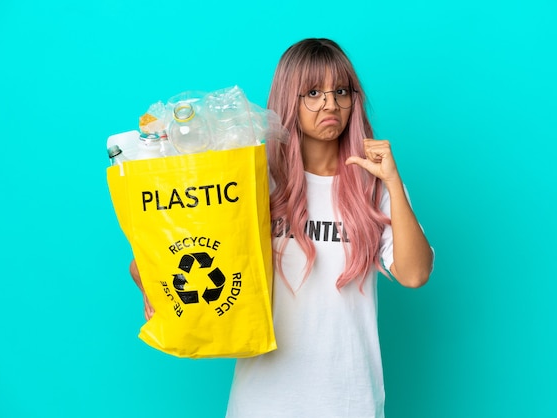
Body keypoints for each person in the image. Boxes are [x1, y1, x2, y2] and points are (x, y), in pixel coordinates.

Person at [130, 38, 433, 418]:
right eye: (312, 92)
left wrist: (392, 182)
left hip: (350, 401)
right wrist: (154, 283)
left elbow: (415, 273)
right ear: (290, 99)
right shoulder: (255, 183)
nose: (330, 103)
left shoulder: (373, 186)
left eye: (341, 91)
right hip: (262, 401)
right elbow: (160, 257)